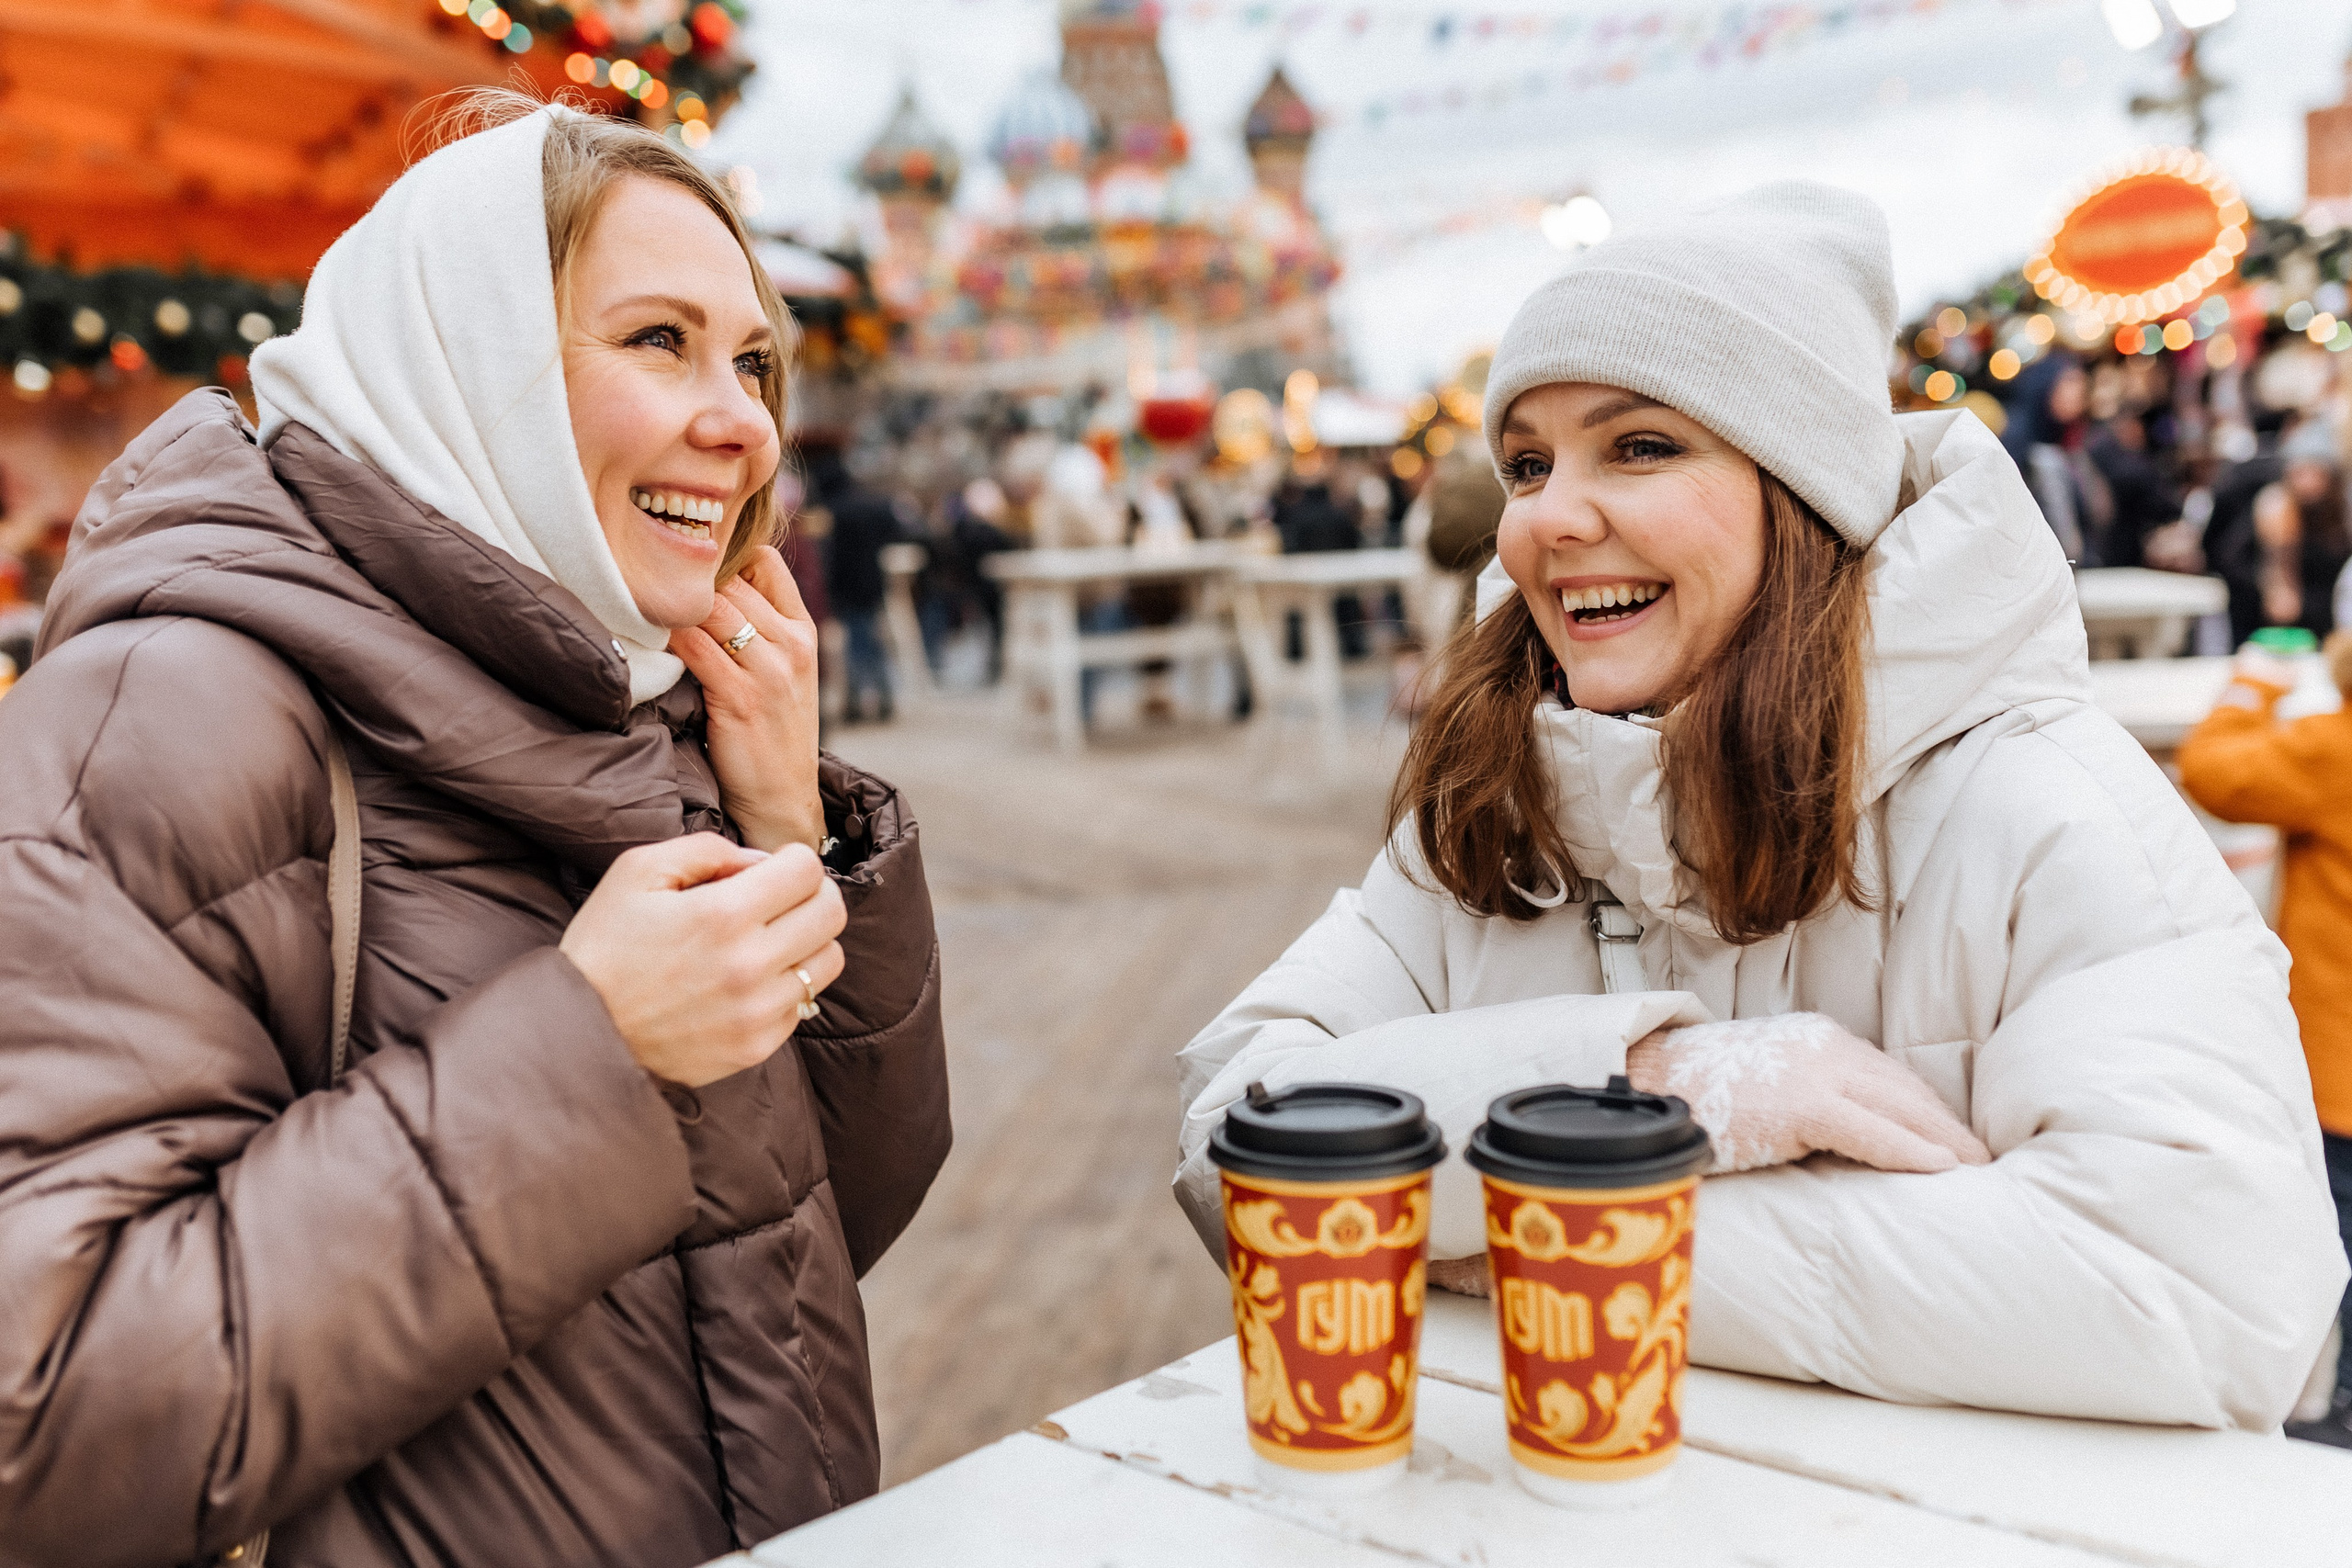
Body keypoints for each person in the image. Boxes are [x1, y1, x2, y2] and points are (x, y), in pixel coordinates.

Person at [1174, 182, 2344, 1429]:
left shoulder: (2045, 806)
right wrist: (1661, 1091)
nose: (1544, 518)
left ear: (1806, 494)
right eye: (1527, 462)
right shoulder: (1494, 804)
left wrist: (1530, 1231)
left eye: (1640, 445)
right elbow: (1235, 1147)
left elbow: (2206, 1291)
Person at [0, 97, 949, 1567]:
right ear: (468, 358)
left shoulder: (636, 698)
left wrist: (788, 829)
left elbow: (806, 1235)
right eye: (659, 340)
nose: (748, 420)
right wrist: (592, 1048)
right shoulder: (164, 710)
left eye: (753, 358)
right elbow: (46, 1418)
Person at [2177, 635, 2352, 1445]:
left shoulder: (2333, 752)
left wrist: (2255, 683)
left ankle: (2334, 1414)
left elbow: (2215, 769)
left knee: (2334, 1242)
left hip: (2339, 1068)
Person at [810, 447, 901, 724]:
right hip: (872, 583)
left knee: (858, 645)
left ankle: (857, 702)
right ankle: (883, 697)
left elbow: (828, 555)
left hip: (846, 586)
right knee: (871, 642)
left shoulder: (832, 511)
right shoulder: (870, 504)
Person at [2000, 351, 2109, 563]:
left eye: (2081, 385)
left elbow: (2101, 513)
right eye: (2068, 383)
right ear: (2045, 385)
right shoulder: (2016, 440)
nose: (2077, 393)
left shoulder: (2075, 442)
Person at [2249, 420, 2349, 642]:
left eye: (2314, 472)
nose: (2306, 482)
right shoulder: (2278, 508)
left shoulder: (2340, 511)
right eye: (2299, 473)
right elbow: (2279, 588)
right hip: (2291, 627)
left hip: (2332, 616)